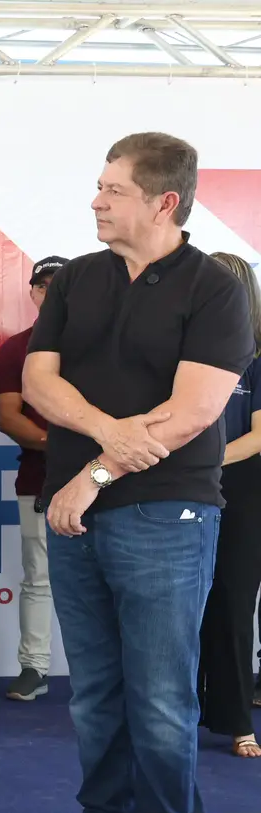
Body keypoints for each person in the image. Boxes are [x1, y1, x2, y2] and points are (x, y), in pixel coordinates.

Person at [19, 132, 253, 813]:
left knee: (159, 696)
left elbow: (193, 411)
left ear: (163, 202)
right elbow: (38, 382)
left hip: (165, 512)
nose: (95, 200)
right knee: (95, 692)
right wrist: (106, 433)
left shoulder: (213, 287)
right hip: (76, 512)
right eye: (99, 186)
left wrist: (93, 474)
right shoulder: (77, 279)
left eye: (112, 189)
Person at [0, 255, 66, 702]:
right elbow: (8, 415)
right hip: (40, 479)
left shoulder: (103, 343)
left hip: (108, 481)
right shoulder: (16, 348)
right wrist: (60, 446)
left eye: (61, 284)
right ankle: (34, 667)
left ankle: (116, 674)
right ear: (33, 292)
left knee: (116, 581)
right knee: (39, 578)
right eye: (44, 285)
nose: (51, 292)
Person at [198, 252, 261, 759]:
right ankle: (177, 710)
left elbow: (259, 436)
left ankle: (237, 719)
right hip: (182, 489)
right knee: (176, 606)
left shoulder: (256, 359)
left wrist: (204, 461)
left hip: (241, 491)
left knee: (233, 605)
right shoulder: (184, 353)